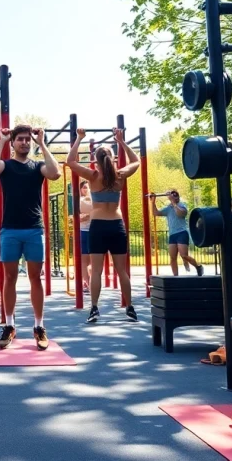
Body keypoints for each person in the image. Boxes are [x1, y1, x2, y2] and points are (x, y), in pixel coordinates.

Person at [0, 124, 61, 350]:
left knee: (35, 277)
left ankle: (39, 326)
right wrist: (2, 140)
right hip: (10, 229)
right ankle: (9, 325)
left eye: (28, 139)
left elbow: (55, 173)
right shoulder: (5, 166)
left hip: (34, 229)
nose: (25, 142)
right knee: (10, 277)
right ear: (14, 142)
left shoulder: (38, 167)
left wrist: (42, 143)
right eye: (20, 139)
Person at [67, 128, 141, 323]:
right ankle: (130, 308)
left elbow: (71, 161)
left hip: (98, 226)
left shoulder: (93, 176)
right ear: (113, 158)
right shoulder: (120, 175)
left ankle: (94, 308)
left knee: (97, 271)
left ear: (96, 160)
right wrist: (121, 141)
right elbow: (136, 161)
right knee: (122, 271)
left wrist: (79, 139)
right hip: (117, 225)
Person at [151, 190, 204, 276]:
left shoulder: (182, 205)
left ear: (178, 197)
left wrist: (174, 203)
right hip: (172, 235)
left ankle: (198, 266)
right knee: (172, 257)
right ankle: (175, 276)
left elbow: (181, 214)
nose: (175, 198)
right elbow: (155, 213)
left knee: (184, 255)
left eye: (176, 197)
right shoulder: (168, 208)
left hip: (182, 233)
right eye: (173, 197)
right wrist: (153, 202)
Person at [78, 182, 94, 291]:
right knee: (84, 260)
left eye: (87, 188)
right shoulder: (79, 200)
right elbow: (73, 218)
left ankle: (92, 281)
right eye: (84, 188)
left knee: (94, 259)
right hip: (83, 230)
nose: (86, 190)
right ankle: (87, 282)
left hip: (93, 230)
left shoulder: (93, 199)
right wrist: (81, 217)